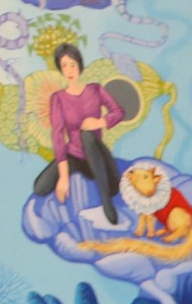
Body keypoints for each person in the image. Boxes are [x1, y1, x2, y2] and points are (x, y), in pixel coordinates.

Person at [35, 42, 126, 223]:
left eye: (72, 64)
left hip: (96, 154)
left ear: (79, 65)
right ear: (60, 69)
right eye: (64, 66)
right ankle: (73, 175)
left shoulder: (95, 90)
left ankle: (106, 199)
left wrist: (100, 122)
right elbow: (58, 136)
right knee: (40, 188)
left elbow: (119, 112)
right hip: (75, 157)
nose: (69, 70)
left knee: (86, 135)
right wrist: (63, 176)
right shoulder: (58, 98)